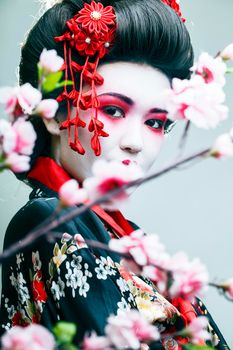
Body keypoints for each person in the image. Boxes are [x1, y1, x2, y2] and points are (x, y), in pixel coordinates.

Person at [0, 0, 229, 348]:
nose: (136, 143)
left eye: (155, 122)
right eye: (112, 110)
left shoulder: (119, 237)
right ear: (54, 113)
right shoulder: (47, 222)